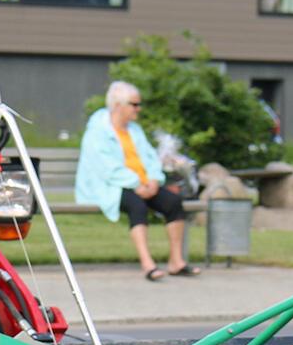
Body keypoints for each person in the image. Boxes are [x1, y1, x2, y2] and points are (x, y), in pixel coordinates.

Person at [75, 80, 201, 280]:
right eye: (134, 104)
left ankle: (176, 262)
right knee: (137, 205)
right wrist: (137, 184)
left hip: (144, 184)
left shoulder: (135, 130)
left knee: (174, 202)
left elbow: (151, 159)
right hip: (111, 186)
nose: (138, 109)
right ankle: (147, 264)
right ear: (118, 105)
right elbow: (106, 169)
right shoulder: (97, 132)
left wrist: (153, 181)